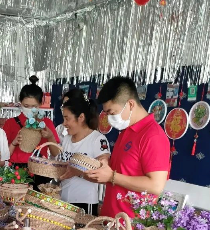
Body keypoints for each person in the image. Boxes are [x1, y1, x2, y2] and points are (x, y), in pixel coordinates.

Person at [83, 76, 170, 219]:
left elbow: (156, 185)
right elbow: (124, 171)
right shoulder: (126, 131)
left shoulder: (153, 136)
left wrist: (112, 176)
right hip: (111, 220)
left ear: (130, 104)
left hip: (131, 226)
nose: (109, 118)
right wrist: (105, 164)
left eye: (112, 113)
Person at [45, 94, 110, 214]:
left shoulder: (97, 140)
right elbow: (60, 161)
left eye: (67, 119)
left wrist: (78, 172)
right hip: (63, 201)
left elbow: (103, 175)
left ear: (81, 117)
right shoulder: (67, 138)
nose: (64, 123)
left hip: (84, 202)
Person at [3, 76, 60, 187]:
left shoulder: (46, 123)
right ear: (20, 103)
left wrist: (50, 137)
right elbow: (4, 155)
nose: (30, 109)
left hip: (39, 170)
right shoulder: (10, 123)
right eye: (26, 106)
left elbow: (56, 153)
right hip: (16, 173)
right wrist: (14, 143)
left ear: (40, 104)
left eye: (34, 106)